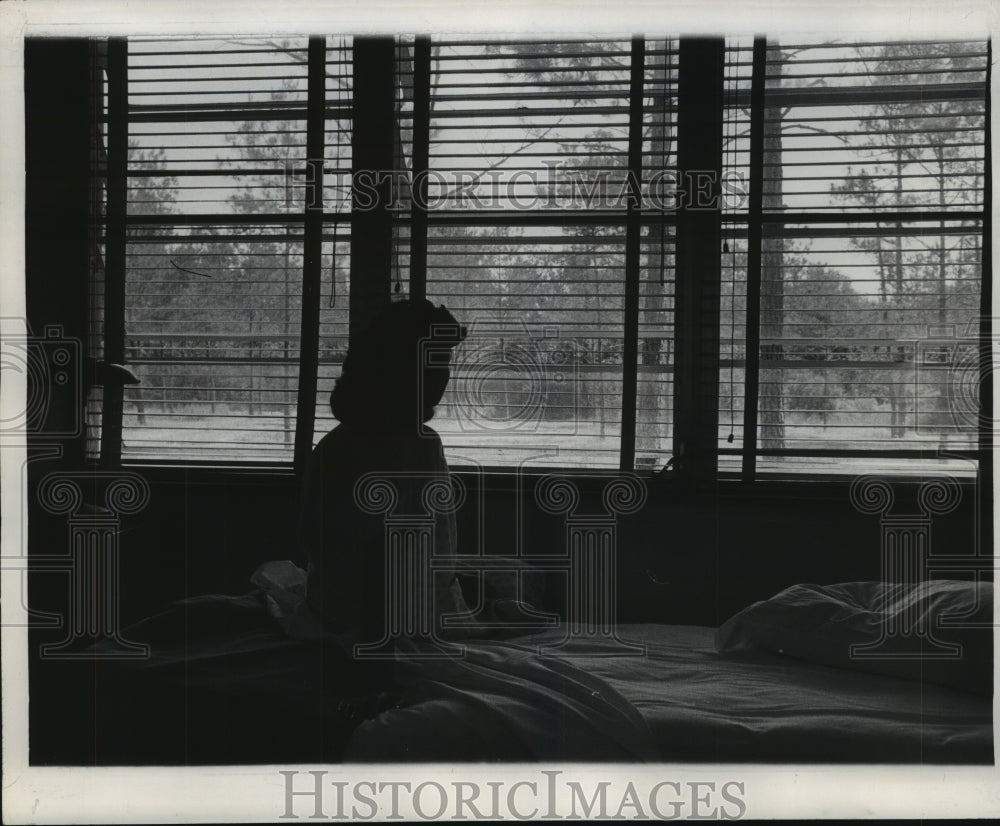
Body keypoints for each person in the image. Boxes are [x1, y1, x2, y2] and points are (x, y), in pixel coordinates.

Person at [299, 298, 469, 649]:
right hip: (384, 621)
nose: (445, 376)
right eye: (437, 362)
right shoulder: (418, 447)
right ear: (404, 371)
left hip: (333, 605)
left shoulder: (334, 443)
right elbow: (423, 561)